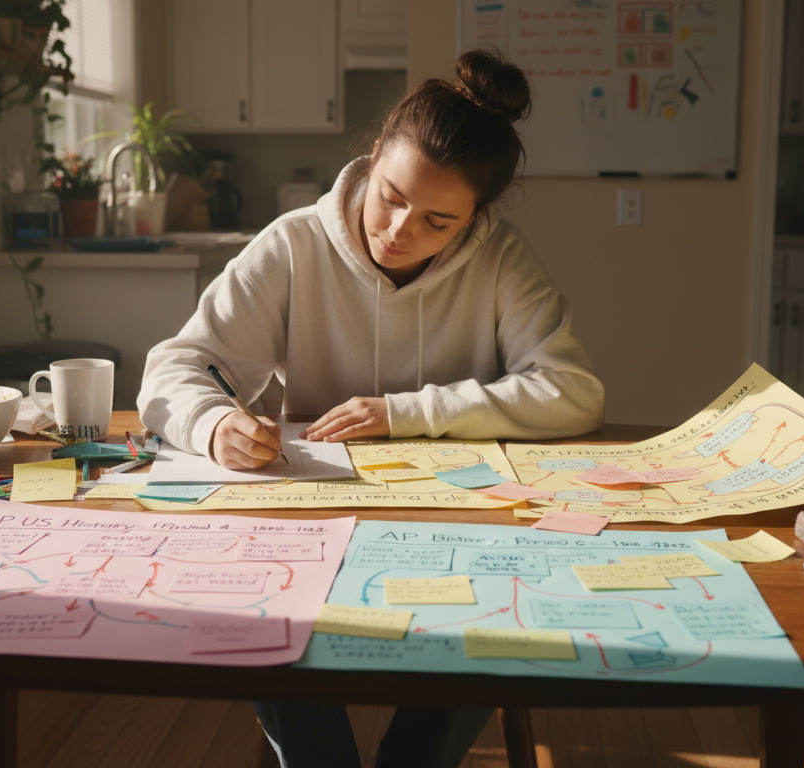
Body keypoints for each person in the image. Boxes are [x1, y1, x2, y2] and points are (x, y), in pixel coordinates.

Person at [138, 50, 605, 768]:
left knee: (492, 620)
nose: (398, 230)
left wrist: (406, 413)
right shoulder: (294, 244)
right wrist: (215, 422)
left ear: (475, 219)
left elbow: (572, 392)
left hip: (457, 523)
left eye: (437, 220)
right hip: (314, 518)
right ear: (374, 152)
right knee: (268, 611)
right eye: (390, 195)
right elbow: (176, 367)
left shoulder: (501, 259)